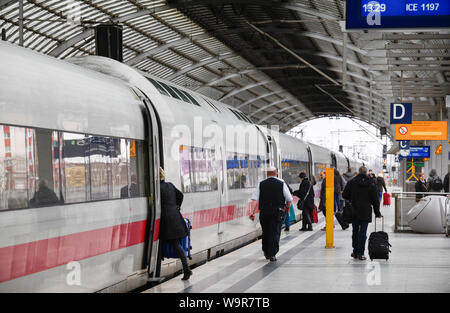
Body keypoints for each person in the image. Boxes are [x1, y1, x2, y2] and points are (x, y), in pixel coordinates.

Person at [250, 166, 292, 262]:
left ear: (267, 174)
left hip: (264, 213)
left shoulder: (261, 184)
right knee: (275, 232)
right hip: (277, 212)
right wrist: (287, 209)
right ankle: (272, 254)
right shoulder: (281, 184)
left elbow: (254, 199)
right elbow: (289, 199)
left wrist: (251, 212)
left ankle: (266, 252)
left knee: (266, 232)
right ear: (276, 173)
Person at [159, 167, 192, 280]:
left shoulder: (157, 188)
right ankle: (186, 269)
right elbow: (181, 195)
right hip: (175, 216)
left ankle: (187, 270)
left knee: (175, 244)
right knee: (176, 244)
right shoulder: (170, 185)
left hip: (166, 220)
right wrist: (177, 206)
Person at [342, 166, 382, 261]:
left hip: (354, 211)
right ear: (366, 172)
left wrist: (352, 199)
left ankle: (355, 252)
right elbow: (375, 200)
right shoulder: (371, 183)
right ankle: (361, 253)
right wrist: (377, 213)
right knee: (363, 233)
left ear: (358, 172)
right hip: (366, 211)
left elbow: (344, 195)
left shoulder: (352, 182)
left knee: (355, 231)